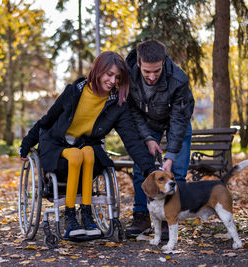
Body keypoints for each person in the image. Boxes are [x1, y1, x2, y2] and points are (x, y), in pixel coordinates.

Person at [20, 51, 156, 238]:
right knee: (77, 154)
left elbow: (131, 139)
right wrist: (27, 143)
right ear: (98, 70)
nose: (112, 81)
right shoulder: (74, 91)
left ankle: (87, 214)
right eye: (109, 74)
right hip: (57, 149)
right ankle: (70, 216)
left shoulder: (116, 104)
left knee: (89, 153)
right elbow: (47, 120)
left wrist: (150, 169)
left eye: (117, 77)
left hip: (86, 150)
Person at [124, 40, 194, 238]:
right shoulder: (128, 76)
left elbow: (179, 120)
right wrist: (147, 137)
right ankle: (141, 216)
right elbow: (132, 112)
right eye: (147, 72)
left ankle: (168, 220)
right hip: (147, 122)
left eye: (157, 71)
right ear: (139, 63)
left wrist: (170, 155)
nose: (152, 76)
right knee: (142, 168)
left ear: (164, 62)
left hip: (176, 121)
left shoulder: (178, 79)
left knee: (176, 171)